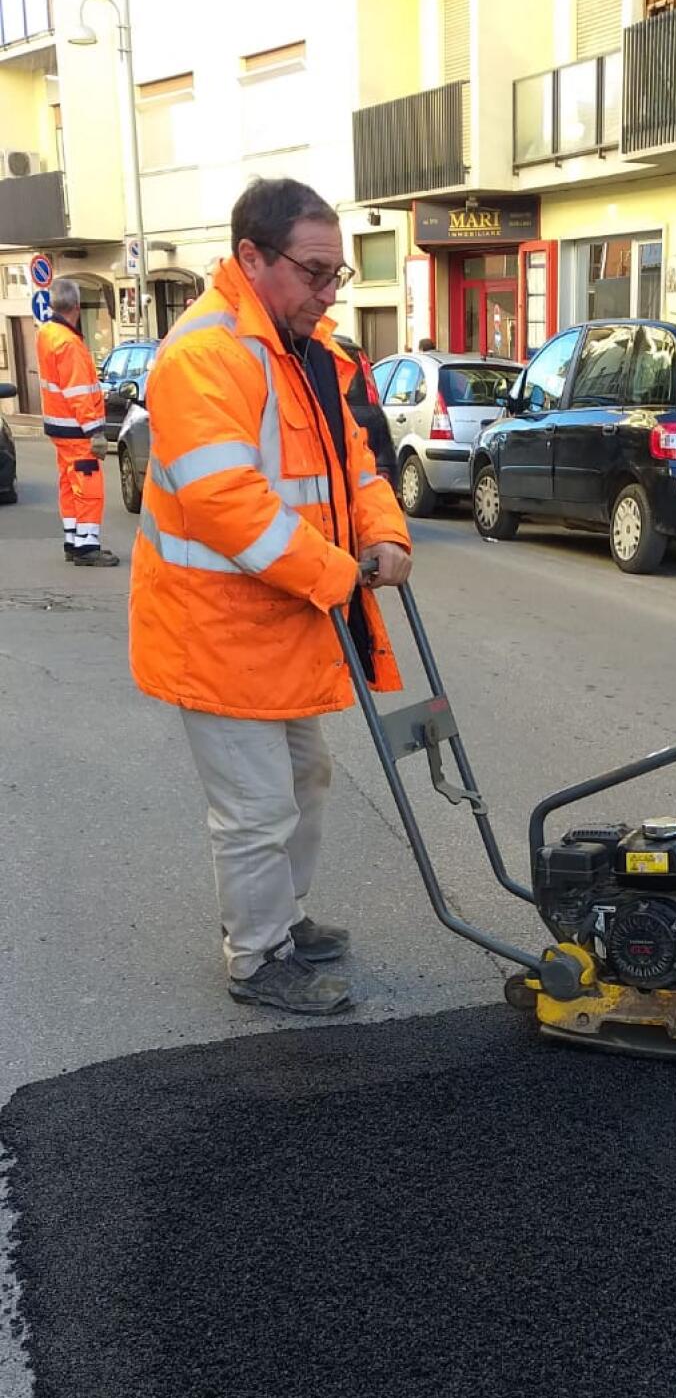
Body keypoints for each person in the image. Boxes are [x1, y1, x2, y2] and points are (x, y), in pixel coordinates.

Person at [129, 176, 413, 1017]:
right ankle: (257, 960)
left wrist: (385, 534)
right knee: (255, 810)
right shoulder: (204, 357)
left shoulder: (304, 352)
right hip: (215, 633)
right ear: (251, 257)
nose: (328, 294)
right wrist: (338, 574)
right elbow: (228, 506)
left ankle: (283, 919)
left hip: (285, 624)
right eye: (314, 272)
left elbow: (355, 463)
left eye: (338, 277)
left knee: (307, 779)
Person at [36, 277, 119, 567]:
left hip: (59, 428)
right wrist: (94, 431)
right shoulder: (69, 343)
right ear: (77, 306)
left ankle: (73, 541)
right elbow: (79, 392)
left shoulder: (47, 334)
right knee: (88, 486)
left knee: (69, 485)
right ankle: (87, 548)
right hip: (77, 429)